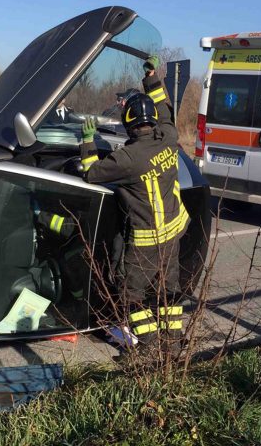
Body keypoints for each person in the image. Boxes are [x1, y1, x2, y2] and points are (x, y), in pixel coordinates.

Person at [79, 55, 189, 352]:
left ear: (128, 124)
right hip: (173, 232)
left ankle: (150, 347)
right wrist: (152, 78)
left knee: (132, 295)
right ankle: (173, 344)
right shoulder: (168, 136)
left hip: (145, 242)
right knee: (169, 290)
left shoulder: (127, 159)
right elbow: (165, 110)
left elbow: (91, 172)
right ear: (151, 120)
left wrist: (87, 141)